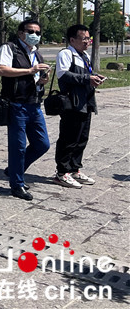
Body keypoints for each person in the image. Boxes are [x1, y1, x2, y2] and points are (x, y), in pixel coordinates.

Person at [0, 18, 51, 201]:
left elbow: (36, 77)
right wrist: (30, 70)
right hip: (16, 104)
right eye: (30, 31)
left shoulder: (37, 53)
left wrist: (42, 79)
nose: (34, 35)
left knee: (42, 144)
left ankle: (13, 170)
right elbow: (2, 70)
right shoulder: (9, 48)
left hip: (34, 104)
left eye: (37, 32)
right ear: (21, 33)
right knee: (18, 147)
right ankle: (17, 184)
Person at [52, 24, 104, 189]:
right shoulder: (66, 54)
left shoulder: (84, 55)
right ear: (72, 39)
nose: (87, 42)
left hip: (86, 102)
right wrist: (87, 79)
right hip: (72, 103)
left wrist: (94, 77)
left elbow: (85, 75)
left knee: (82, 138)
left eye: (89, 38)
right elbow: (63, 74)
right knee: (69, 138)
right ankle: (62, 172)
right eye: (84, 39)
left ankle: (75, 169)